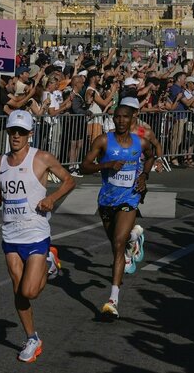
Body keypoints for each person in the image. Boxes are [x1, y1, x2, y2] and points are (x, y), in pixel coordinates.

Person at [0, 110, 76, 363]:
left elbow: (69, 180)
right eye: (13, 131)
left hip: (35, 233)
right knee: (19, 292)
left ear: (29, 134)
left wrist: (51, 199)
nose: (16, 136)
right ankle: (32, 338)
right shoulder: (0, 161)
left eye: (21, 132)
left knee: (30, 291)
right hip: (10, 233)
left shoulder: (41, 158)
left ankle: (48, 261)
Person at [80, 104, 154, 320]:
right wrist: (106, 165)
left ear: (132, 119)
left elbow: (151, 156)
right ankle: (135, 237)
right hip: (107, 200)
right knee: (116, 241)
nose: (121, 121)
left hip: (130, 198)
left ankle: (113, 298)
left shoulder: (140, 142)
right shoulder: (103, 141)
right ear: (113, 119)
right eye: (117, 117)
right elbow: (84, 166)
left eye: (125, 117)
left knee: (118, 244)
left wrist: (143, 177)